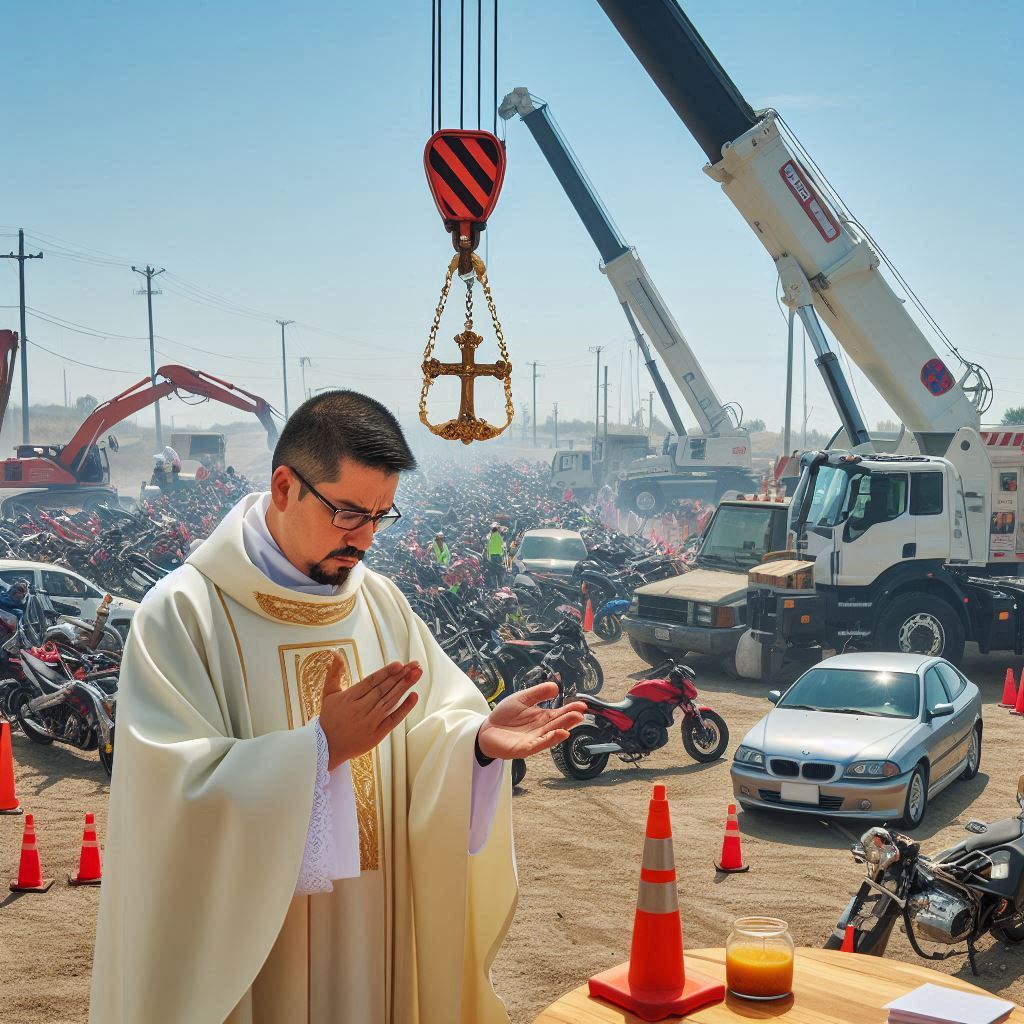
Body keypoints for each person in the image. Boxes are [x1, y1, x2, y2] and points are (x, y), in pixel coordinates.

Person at [90, 390, 584, 1024]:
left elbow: (433, 728)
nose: (365, 539)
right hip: (256, 957)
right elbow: (168, 797)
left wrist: (479, 743)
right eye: (348, 512)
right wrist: (317, 751)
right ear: (283, 486)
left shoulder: (381, 605)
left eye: (381, 516)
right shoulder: (186, 614)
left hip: (374, 934)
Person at [485, 522, 505, 588]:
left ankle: (494, 586)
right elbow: (502, 545)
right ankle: (500, 584)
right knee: (498, 571)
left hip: (492, 556)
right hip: (498, 556)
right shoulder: (498, 536)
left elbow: (487, 544)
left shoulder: (489, 536)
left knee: (493, 571)